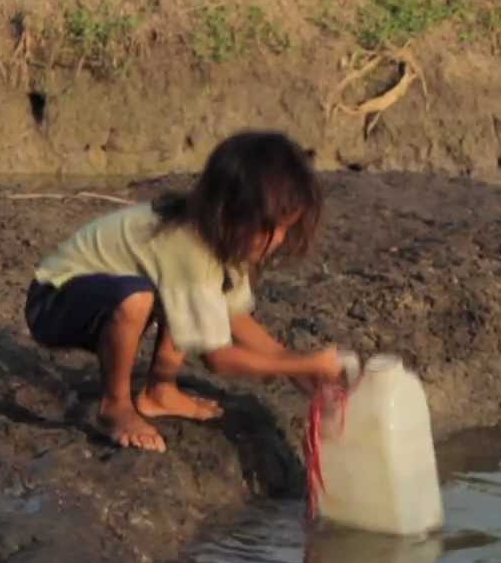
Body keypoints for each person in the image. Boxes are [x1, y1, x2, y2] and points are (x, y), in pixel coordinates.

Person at [24, 130, 346, 452]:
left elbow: (232, 316)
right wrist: (304, 365)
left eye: (285, 228)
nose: (277, 240)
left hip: (105, 293)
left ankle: (159, 392)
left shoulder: (223, 240)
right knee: (137, 298)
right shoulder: (188, 246)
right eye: (268, 227)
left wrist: (297, 367)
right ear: (229, 210)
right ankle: (115, 406)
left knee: (184, 300)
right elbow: (218, 358)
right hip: (53, 301)